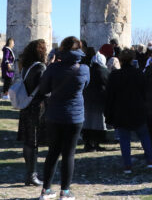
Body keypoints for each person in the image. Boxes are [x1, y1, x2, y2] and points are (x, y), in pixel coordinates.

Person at [38, 36, 90, 200]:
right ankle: (65, 192)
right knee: (69, 154)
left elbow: (43, 89)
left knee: (53, 152)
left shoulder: (53, 69)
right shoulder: (84, 69)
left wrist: (50, 67)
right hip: (75, 116)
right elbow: (85, 86)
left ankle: (46, 190)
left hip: (54, 114)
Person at [104, 49, 152, 173]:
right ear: (132, 59)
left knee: (124, 139)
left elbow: (109, 95)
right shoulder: (139, 73)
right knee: (144, 136)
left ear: (120, 60)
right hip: (138, 110)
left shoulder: (114, 75)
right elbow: (145, 92)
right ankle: (151, 160)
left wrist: (108, 113)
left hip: (121, 111)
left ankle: (127, 166)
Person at [17, 39, 48, 186]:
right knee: (33, 142)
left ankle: (29, 172)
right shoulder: (40, 67)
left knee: (28, 142)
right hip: (36, 108)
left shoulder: (25, 67)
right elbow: (44, 88)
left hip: (26, 106)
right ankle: (32, 174)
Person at [82, 50, 110, 152]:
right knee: (98, 124)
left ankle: (88, 144)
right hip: (99, 102)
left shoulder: (88, 70)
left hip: (87, 100)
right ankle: (96, 144)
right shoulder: (105, 72)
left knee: (87, 123)